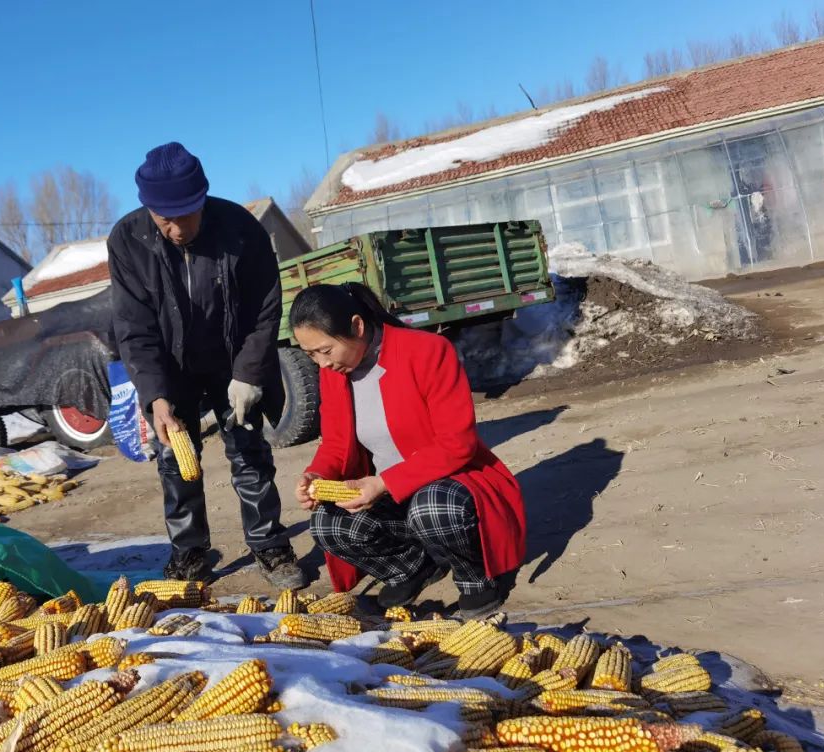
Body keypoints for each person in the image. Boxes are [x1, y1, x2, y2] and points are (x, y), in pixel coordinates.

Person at [108, 141, 304, 588]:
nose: (177, 229)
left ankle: (270, 547)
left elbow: (264, 309)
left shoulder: (240, 229)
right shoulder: (127, 239)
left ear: (203, 198)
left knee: (250, 454)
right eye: (165, 220)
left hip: (233, 359)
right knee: (175, 462)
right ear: (148, 210)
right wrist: (155, 396)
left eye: (186, 215)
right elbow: (133, 326)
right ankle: (190, 553)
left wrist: (250, 374)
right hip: (168, 366)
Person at [291, 282, 526, 618]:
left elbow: (457, 444)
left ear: (357, 326)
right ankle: (411, 569)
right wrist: (318, 475)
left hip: (452, 483)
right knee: (328, 523)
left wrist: (383, 483)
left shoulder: (428, 351)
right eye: (310, 354)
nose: (321, 363)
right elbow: (336, 444)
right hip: (394, 491)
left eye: (325, 351)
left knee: (431, 507)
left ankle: (476, 580)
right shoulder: (335, 375)